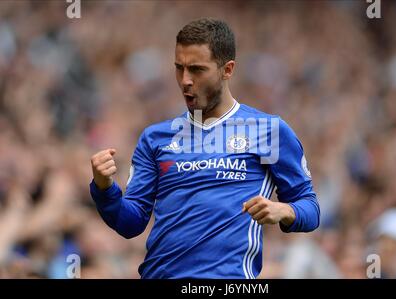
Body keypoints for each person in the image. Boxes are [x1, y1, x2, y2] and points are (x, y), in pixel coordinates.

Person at [89, 18, 320, 279]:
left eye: (197, 70)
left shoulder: (269, 131)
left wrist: (285, 211)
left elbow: (310, 208)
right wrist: (104, 188)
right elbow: (130, 223)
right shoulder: (155, 138)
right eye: (179, 68)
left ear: (227, 69)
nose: (185, 80)